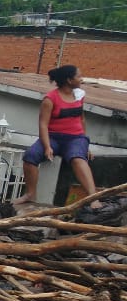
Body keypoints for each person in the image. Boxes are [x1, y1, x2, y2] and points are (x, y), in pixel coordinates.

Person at [14, 65, 101, 208]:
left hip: (75, 138)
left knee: (78, 158)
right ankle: (30, 194)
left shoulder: (79, 94)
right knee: (30, 156)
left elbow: (82, 119)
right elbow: (43, 124)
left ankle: (93, 197)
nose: (82, 79)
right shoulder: (50, 99)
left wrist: (85, 143)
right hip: (53, 137)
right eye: (79, 76)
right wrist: (47, 146)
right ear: (69, 80)